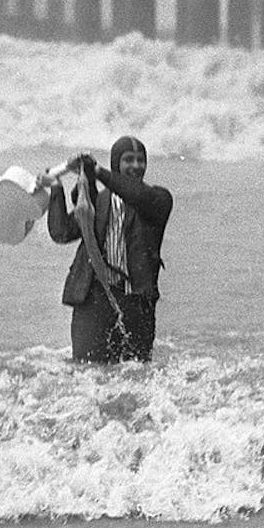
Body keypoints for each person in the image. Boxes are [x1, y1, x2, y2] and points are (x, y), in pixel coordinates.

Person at [41, 135, 174, 363]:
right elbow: (61, 232)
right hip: (94, 300)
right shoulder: (96, 203)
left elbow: (135, 194)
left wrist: (98, 172)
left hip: (137, 303)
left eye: (140, 160)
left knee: (137, 375)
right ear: (116, 163)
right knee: (86, 371)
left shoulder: (158, 200)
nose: (135, 166)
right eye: (128, 160)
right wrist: (55, 188)